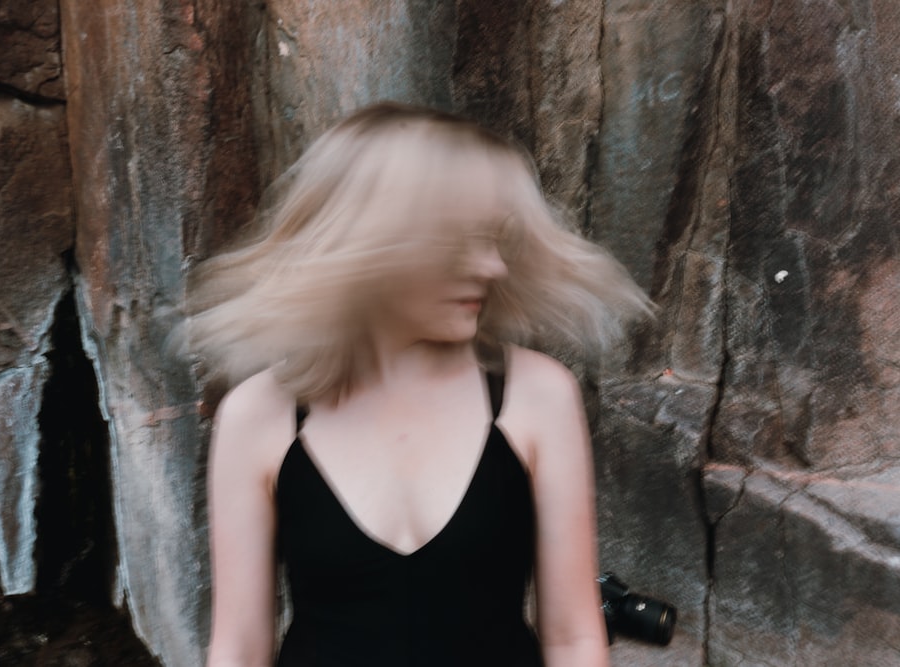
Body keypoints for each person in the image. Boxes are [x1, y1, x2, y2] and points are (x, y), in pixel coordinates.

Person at [187, 102, 651, 667]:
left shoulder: (536, 396)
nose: (493, 266)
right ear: (374, 245)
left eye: (494, 239)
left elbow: (575, 639)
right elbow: (237, 648)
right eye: (460, 242)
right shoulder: (259, 416)